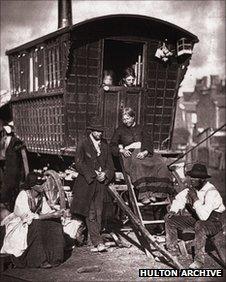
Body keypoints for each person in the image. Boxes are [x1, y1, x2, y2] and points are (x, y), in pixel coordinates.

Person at [164, 163, 225, 269]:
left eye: (195, 177)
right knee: (170, 220)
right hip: (198, 219)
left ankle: (199, 261)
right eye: (191, 176)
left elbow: (204, 217)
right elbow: (179, 199)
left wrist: (195, 199)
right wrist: (173, 211)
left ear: (203, 179)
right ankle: (173, 253)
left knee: (200, 224)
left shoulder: (211, 192)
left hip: (214, 222)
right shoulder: (193, 189)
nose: (192, 179)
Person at [110, 107, 175, 206]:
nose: (125, 121)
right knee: (138, 164)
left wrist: (145, 152)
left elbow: (148, 142)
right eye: (123, 119)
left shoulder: (142, 128)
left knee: (160, 164)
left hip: (144, 152)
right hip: (130, 155)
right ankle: (144, 195)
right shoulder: (120, 130)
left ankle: (156, 193)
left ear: (133, 117)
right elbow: (112, 144)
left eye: (127, 118)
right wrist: (122, 150)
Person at [0, 172, 65, 268]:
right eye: (40, 184)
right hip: (20, 224)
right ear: (32, 186)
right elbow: (27, 216)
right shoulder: (23, 195)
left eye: (43, 183)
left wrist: (57, 214)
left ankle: (54, 257)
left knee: (54, 224)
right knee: (36, 225)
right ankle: (38, 260)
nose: (44, 185)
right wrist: (50, 215)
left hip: (33, 221)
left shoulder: (41, 196)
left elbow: (46, 211)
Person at [70, 118, 115, 252]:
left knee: (100, 211)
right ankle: (98, 242)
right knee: (91, 213)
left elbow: (110, 165)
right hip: (87, 183)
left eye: (101, 131)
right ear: (91, 131)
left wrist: (106, 174)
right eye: (97, 131)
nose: (99, 133)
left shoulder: (105, 145)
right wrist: (93, 174)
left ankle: (93, 239)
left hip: (100, 184)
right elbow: (79, 163)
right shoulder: (83, 143)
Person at [0, 124, 25, 210]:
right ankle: (11, 204)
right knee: (12, 187)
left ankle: (10, 204)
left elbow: (3, 154)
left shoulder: (6, 140)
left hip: (10, 168)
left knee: (10, 186)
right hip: (12, 168)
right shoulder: (14, 140)